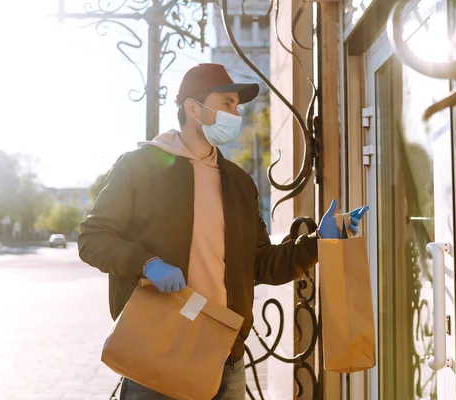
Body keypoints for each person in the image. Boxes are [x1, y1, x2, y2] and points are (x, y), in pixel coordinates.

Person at [77, 63, 369, 400]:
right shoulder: (138, 167)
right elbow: (93, 238)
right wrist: (147, 263)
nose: (236, 113)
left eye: (237, 106)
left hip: (225, 358)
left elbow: (261, 264)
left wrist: (319, 242)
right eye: (227, 103)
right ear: (193, 108)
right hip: (157, 351)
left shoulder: (239, 184)